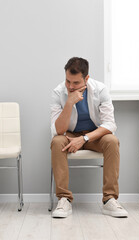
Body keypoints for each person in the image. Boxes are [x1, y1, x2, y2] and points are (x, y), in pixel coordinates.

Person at [50, 57, 128, 218]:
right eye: (68, 81)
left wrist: (84, 139)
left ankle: (109, 200)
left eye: (76, 83)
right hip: (69, 135)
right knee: (57, 142)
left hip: (94, 135)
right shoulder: (59, 92)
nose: (71, 87)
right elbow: (58, 130)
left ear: (86, 78)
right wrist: (69, 103)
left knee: (112, 141)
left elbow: (109, 124)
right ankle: (64, 199)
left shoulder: (100, 90)